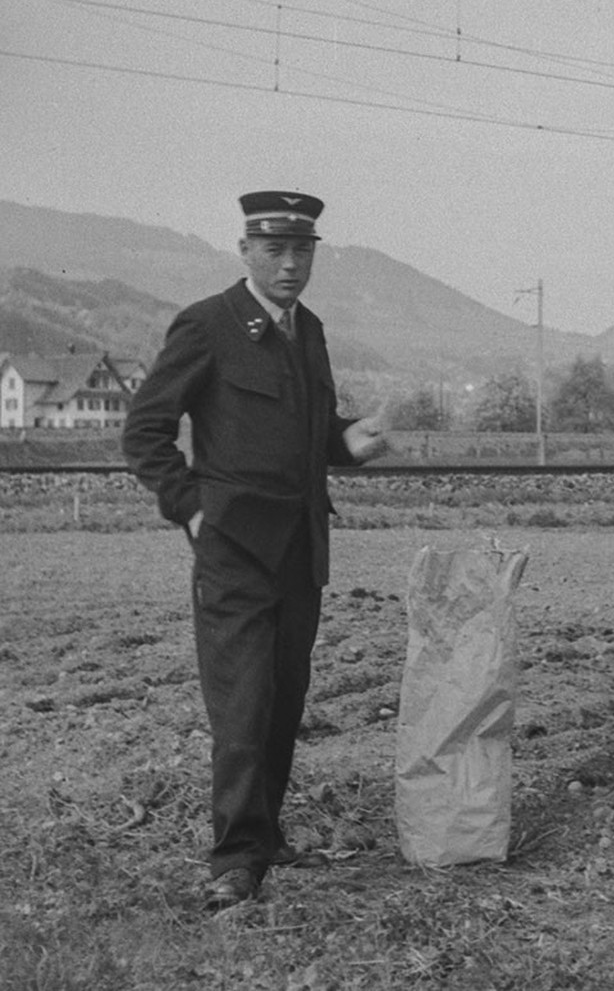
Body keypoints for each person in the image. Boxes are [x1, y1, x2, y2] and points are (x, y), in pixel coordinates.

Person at [122, 191, 389, 910]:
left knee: (282, 703)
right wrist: (191, 508)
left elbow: (306, 432)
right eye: (275, 251)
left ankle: (265, 839)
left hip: (301, 547)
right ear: (245, 252)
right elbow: (144, 430)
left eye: (303, 251)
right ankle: (234, 859)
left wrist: (347, 444)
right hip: (234, 550)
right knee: (242, 708)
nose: (291, 265)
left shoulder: (309, 330)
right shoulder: (208, 325)